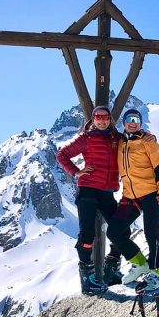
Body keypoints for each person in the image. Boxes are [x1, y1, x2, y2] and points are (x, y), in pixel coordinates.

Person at [56, 106, 124, 295]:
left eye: (105, 117)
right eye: (98, 117)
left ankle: (112, 269)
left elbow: (133, 146)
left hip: (107, 192)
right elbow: (62, 155)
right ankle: (87, 279)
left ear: (110, 119)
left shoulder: (117, 139)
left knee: (121, 230)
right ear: (93, 119)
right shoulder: (86, 138)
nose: (102, 120)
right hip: (87, 190)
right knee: (87, 235)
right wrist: (76, 172)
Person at [107, 108, 159, 291]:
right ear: (124, 122)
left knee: (152, 234)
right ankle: (140, 263)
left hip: (151, 193)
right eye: (129, 119)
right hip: (130, 196)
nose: (133, 122)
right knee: (114, 231)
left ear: (140, 123)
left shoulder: (148, 142)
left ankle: (158, 275)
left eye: (136, 119)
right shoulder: (119, 142)